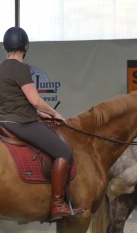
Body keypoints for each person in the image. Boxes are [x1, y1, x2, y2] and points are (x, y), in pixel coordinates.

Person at [0, 27, 84, 221]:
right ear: (25, 46)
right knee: (64, 152)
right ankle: (57, 204)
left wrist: (40, 115)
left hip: (5, 123)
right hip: (22, 124)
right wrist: (54, 113)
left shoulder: (1, 68)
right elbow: (35, 100)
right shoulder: (21, 69)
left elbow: (16, 102)